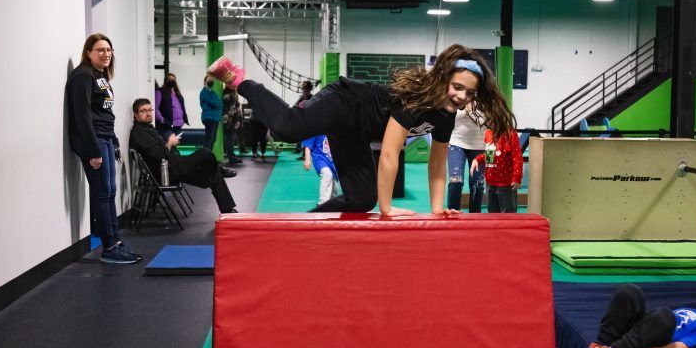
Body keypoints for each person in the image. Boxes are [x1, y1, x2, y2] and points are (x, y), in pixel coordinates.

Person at [207, 44, 516, 215]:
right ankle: (240, 80)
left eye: (470, 93)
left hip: (356, 132)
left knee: (361, 198)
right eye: (457, 87)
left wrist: (437, 210)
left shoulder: (447, 116)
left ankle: (309, 222)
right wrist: (387, 210)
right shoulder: (415, 101)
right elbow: (390, 154)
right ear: (444, 81)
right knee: (289, 128)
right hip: (344, 102)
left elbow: (437, 164)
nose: (462, 97)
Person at [65, 33, 141, 264]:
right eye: (100, 50)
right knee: (101, 193)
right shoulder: (82, 76)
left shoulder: (100, 76)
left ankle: (116, 242)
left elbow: (103, 113)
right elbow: (83, 116)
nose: (106, 54)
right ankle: (109, 247)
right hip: (93, 142)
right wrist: (93, 151)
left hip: (105, 138)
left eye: (108, 50)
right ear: (88, 52)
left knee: (109, 192)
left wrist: (113, 140)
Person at [129, 99, 237, 214]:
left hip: (176, 165)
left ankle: (228, 210)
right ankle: (219, 168)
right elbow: (160, 156)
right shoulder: (139, 133)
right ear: (135, 114)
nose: (148, 113)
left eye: (150, 110)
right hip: (169, 172)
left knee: (214, 174)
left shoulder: (148, 128)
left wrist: (171, 143)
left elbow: (162, 151)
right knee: (205, 153)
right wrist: (170, 143)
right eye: (143, 111)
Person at [470, 128, 523, 213]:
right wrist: (478, 159)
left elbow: (517, 157)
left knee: (508, 215)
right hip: (491, 183)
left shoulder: (510, 133)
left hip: (506, 184)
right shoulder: (488, 132)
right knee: (493, 214)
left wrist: (516, 177)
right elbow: (489, 156)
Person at [446, 103, 487, 212]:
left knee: (477, 184)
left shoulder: (486, 98)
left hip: (479, 145)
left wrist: (471, 112)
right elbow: (448, 117)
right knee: (455, 181)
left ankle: (474, 215)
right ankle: (453, 212)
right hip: (456, 142)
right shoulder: (459, 97)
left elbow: (488, 124)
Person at [301, 134, 340, 205]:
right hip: (320, 159)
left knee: (335, 185)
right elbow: (308, 145)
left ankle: (333, 202)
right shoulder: (317, 129)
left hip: (331, 160)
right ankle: (322, 203)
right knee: (327, 174)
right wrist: (307, 159)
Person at [155, 72, 189, 137]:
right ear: (166, 81)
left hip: (178, 126)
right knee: (168, 145)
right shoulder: (160, 92)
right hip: (167, 126)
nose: (172, 81)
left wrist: (183, 120)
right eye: (170, 79)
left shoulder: (178, 94)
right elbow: (155, 109)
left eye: (173, 79)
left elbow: (182, 108)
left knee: (174, 145)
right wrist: (162, 120)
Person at [199, 75, 223, 154]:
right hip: (208, 117)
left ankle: (209, 154)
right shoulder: (203, 92)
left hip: (215, 118)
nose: (211, 81)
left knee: (213, 138)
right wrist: (216, 104)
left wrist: (216, 104)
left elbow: (219, 103)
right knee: (209, 138)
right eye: (209, 80)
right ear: (205, 82)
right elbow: (215, 103)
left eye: (212, 80)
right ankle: (205, 156)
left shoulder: (213, 93)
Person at [221, 89, 244, 165]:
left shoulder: (226, 95)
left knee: (229, 139)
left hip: (227, 120)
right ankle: (231, 158)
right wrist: (238, 120)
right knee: (230, 140)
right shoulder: (231, 96)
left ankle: (231, 156)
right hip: (230, 121)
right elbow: (233, 109)